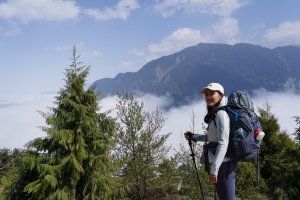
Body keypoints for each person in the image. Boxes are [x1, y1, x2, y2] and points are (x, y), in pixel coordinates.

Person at [185, 82, 237, 200]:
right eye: (206, 94)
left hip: (224, 164)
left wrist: (214, 170)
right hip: (222, 163)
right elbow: (213, 137)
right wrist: (194, 137)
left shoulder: (221, 114)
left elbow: (223, 142)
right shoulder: (216, 113)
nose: (208, 97)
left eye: (212, 93)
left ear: (220, 95)